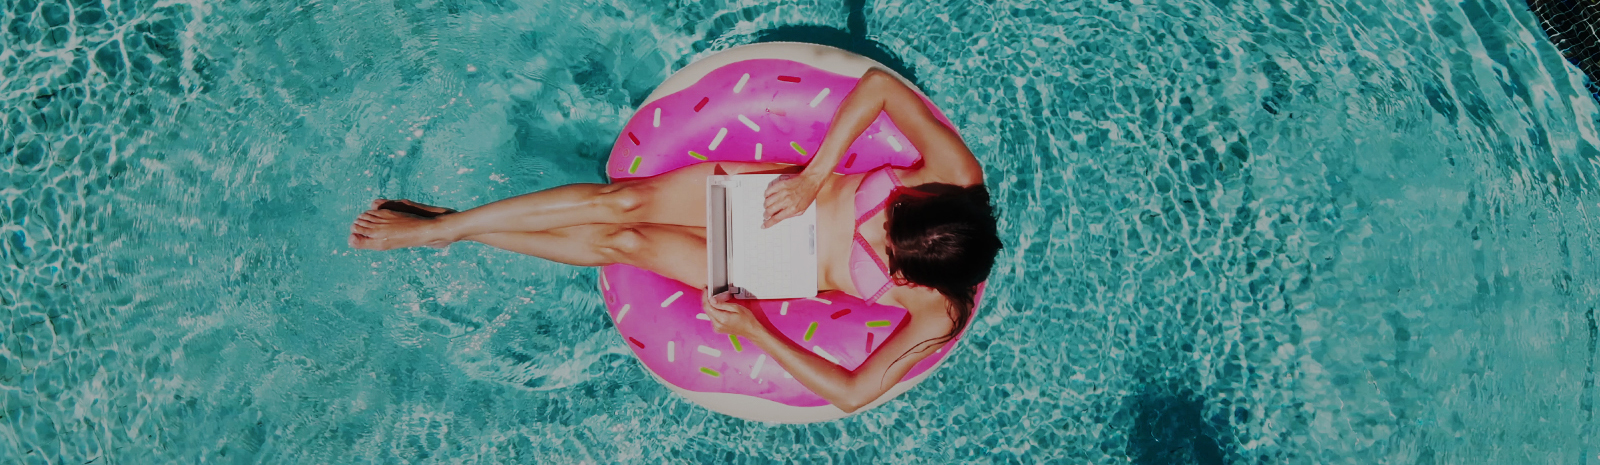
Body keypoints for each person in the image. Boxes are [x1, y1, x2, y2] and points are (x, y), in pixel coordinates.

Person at [348, 67, 1002, 413]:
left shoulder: (937, 312)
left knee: (623, 241)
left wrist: (757, 328)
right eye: (892, 213)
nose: (877, 227)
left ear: (913, 279)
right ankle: (445, 226)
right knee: (621, 200)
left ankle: (459, 232)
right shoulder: (956, 173)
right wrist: (814, 175)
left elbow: (854, 392)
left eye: (887, 247)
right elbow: (882, 89)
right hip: (781, 188)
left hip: (773, 265)